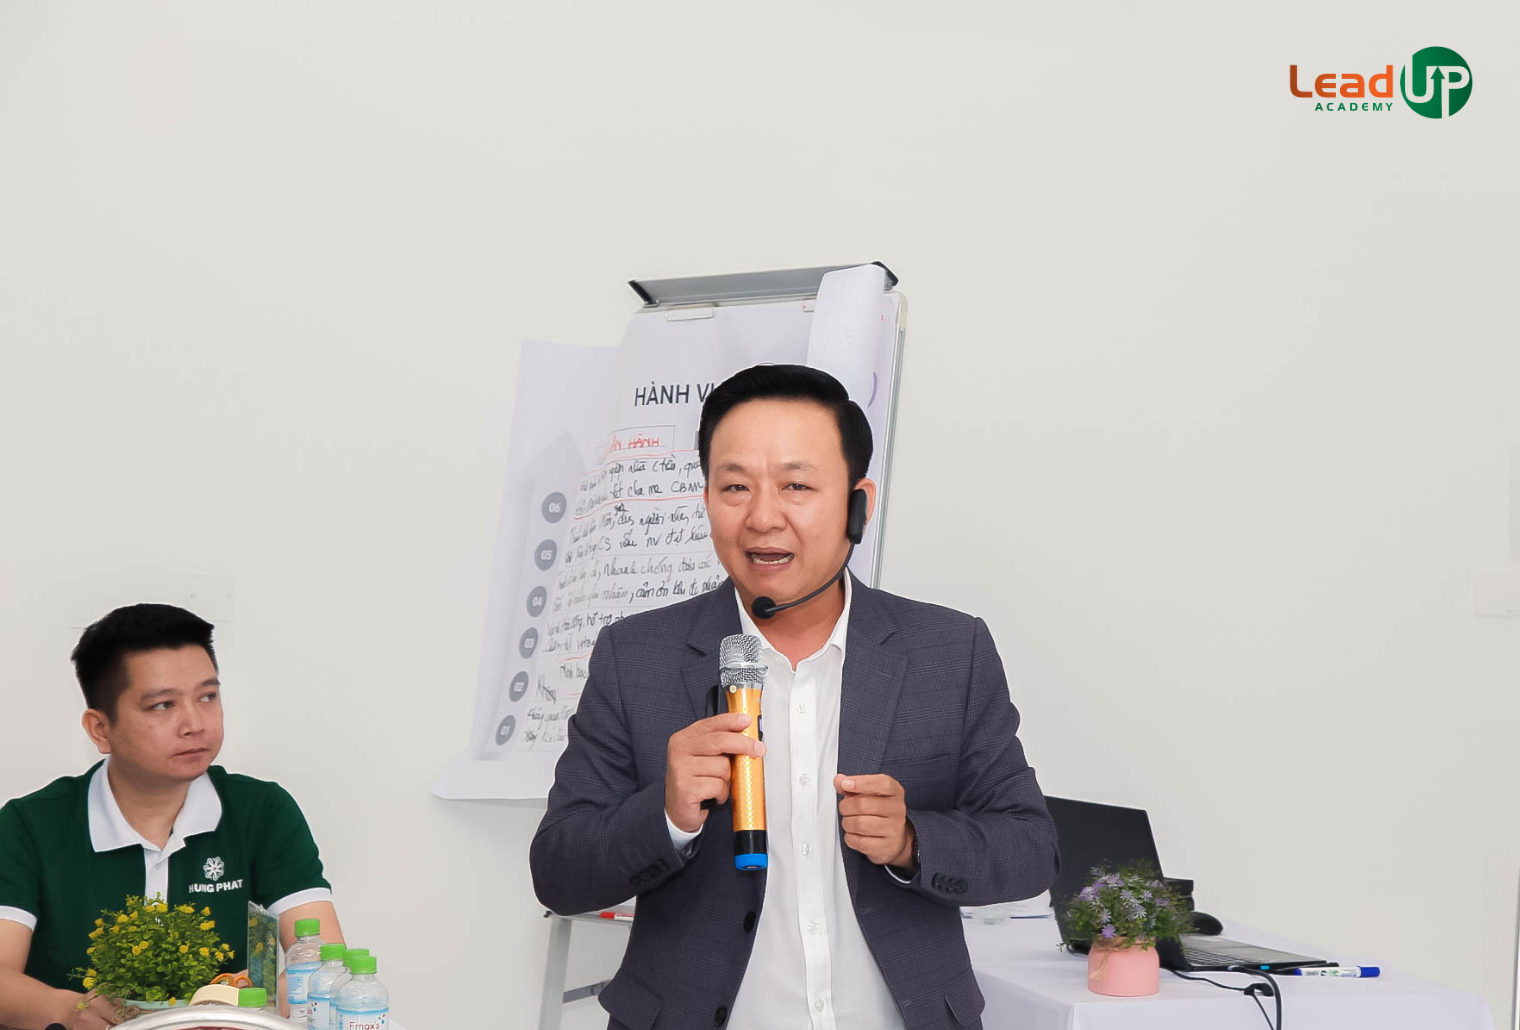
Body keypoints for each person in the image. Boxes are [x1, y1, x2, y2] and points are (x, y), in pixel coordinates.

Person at [531, 364, 1059, 1030]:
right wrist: (665, 814)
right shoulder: (635, 657)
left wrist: (912, 842)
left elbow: (1030, 848)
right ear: (707, 498)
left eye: (796, 486)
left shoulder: (949, 652)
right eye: (735, 487)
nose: (762, 517)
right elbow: (558, 871)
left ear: (858, 504)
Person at [0, 604, 343, 1030]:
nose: (194, 723)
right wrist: (69, 1011)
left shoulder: (262, 811)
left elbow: (323, 956)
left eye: (208, 696)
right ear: (100, 729)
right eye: (163, 705)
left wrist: (278, 999)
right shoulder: (30, 826)